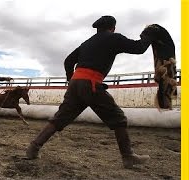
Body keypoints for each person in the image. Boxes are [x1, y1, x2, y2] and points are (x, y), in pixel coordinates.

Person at [26, 15, 155, 169]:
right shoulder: (114, 38)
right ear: (112, 27)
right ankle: (128, 157)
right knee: (119, 119)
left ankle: (33, 148)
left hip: (75, 85)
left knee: (59, 119)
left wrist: (71, 79)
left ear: (98, 28)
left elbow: (68, 61)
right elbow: (139, 48)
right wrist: (148, 34)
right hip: (91, 84)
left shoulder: (87, 43)